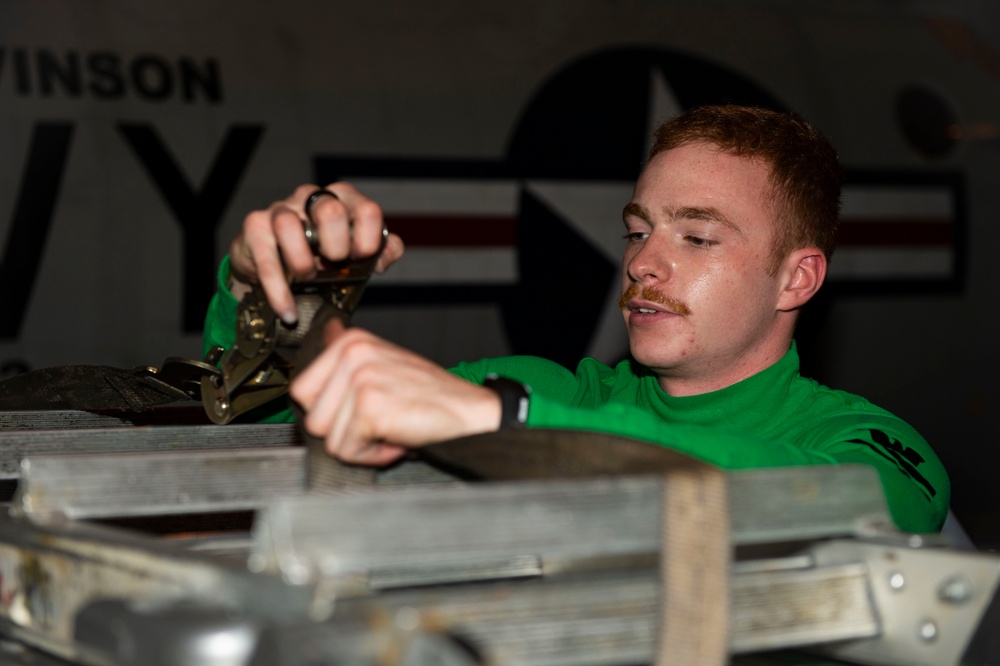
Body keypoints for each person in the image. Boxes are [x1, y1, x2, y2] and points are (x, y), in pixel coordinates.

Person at [203, 105, 949, 533]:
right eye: (637, 231)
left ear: (797, 277)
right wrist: (268, 306)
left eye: (696, 236)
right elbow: (247, 444)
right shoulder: (547, 387)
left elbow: (853, 505)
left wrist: (509, 423)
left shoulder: (858, 442)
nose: (641, 265)